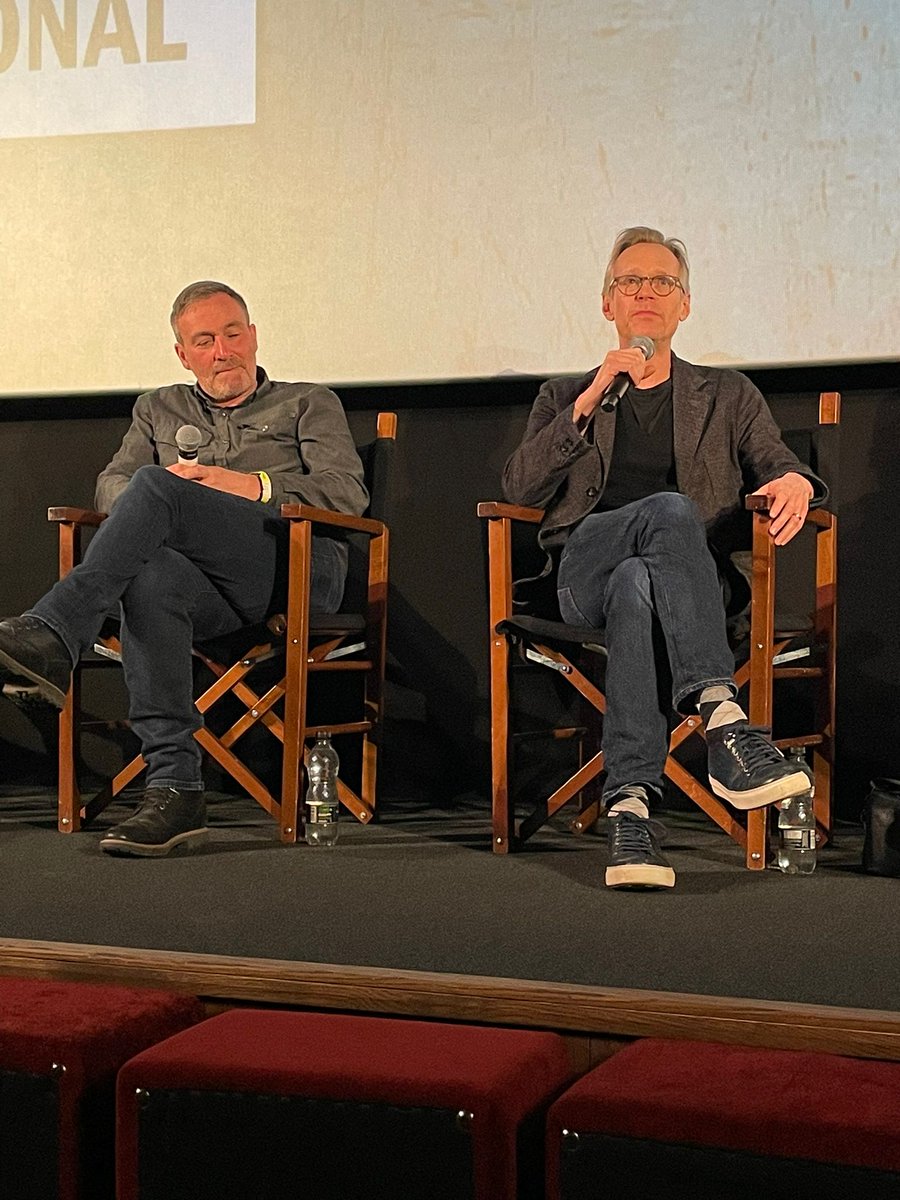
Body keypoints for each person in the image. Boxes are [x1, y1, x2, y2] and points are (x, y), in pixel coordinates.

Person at [502, 227, 827, 891]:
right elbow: (520, 487)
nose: (646, 292)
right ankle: (722, 717)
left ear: (685, 304)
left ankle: (631, 814)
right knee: (670, 513)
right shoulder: (565, 394)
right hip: (581, 576)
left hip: (684, 589)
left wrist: (796, 480)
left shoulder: (727, 394)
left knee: (637, 582)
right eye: (630, 282)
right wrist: (591, 397)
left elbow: (776, 460)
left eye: (663, 282)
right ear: (608, 304)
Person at [0, 282, 368, 857]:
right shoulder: (157, 408)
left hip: (293, 569)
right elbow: (109, 485)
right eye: (205, 341)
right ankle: (176, 788)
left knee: (155, 484)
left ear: (253, 336)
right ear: (182, 354)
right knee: (150, 577)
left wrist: (245, 485)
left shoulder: (308, 402)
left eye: (233, 334)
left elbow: (346, 492)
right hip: (205, 589)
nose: (223, 351)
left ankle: (56, 632)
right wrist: (164, 502)